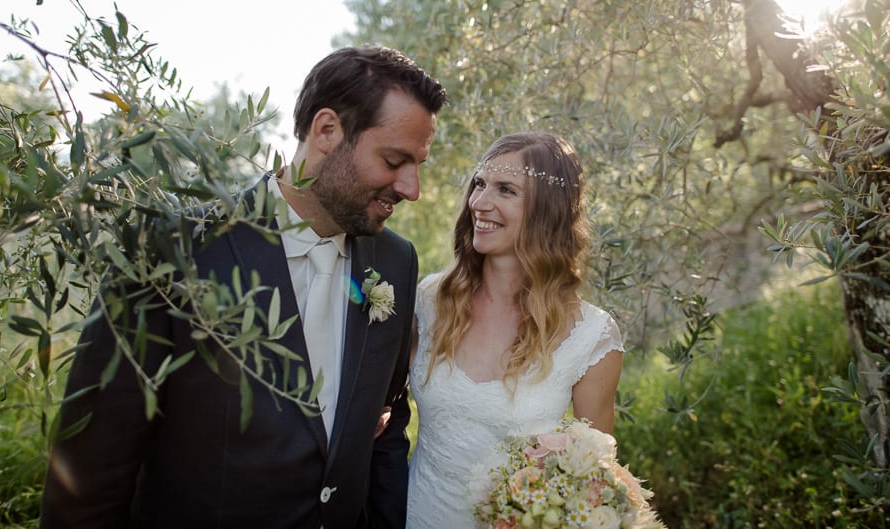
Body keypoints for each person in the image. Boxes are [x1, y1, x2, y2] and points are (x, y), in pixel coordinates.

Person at [40, 45, 447, 529]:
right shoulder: (174, 248)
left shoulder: (395, 262)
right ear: (327, 131)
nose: (411, 188)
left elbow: (386, 429)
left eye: (417, 164)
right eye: (394, 159)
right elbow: (91, 468)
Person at [405, 132, 625, 528]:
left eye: (505, 190)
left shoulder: (592, 339)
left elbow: (593, 480)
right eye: (479, 184)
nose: (479, 203)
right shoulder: (429, 301)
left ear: (548, 211)